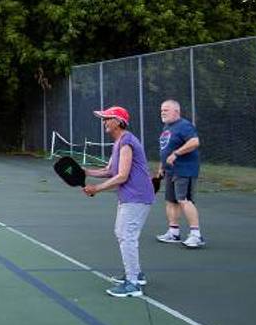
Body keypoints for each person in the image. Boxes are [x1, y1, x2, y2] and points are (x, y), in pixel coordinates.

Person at [81, 106, 156, 298]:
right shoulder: (119, 143)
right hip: (131, 197)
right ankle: (136, 274)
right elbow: (109, 170)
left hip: (137, 197)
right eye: (103, 118)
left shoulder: (127, 142)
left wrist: (96, 189)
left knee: (127, 236)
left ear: (118, 122)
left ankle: (133, 284)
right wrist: (86, 172)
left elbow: (122, 176)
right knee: (122, 233)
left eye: (107, 118)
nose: (104, 122)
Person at [155, 99, 204, 248]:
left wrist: (176, 154)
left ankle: (196, 235)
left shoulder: (184, 125)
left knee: (184, 200)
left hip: (185, 170)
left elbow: (195, 142)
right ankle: (173, 233)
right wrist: (161, 167)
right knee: (171, 201)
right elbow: (166, 149)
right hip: (170, 171)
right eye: (162, 110)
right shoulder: (167, 127)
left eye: (166, 110)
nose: (163, 112)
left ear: (176, 111)